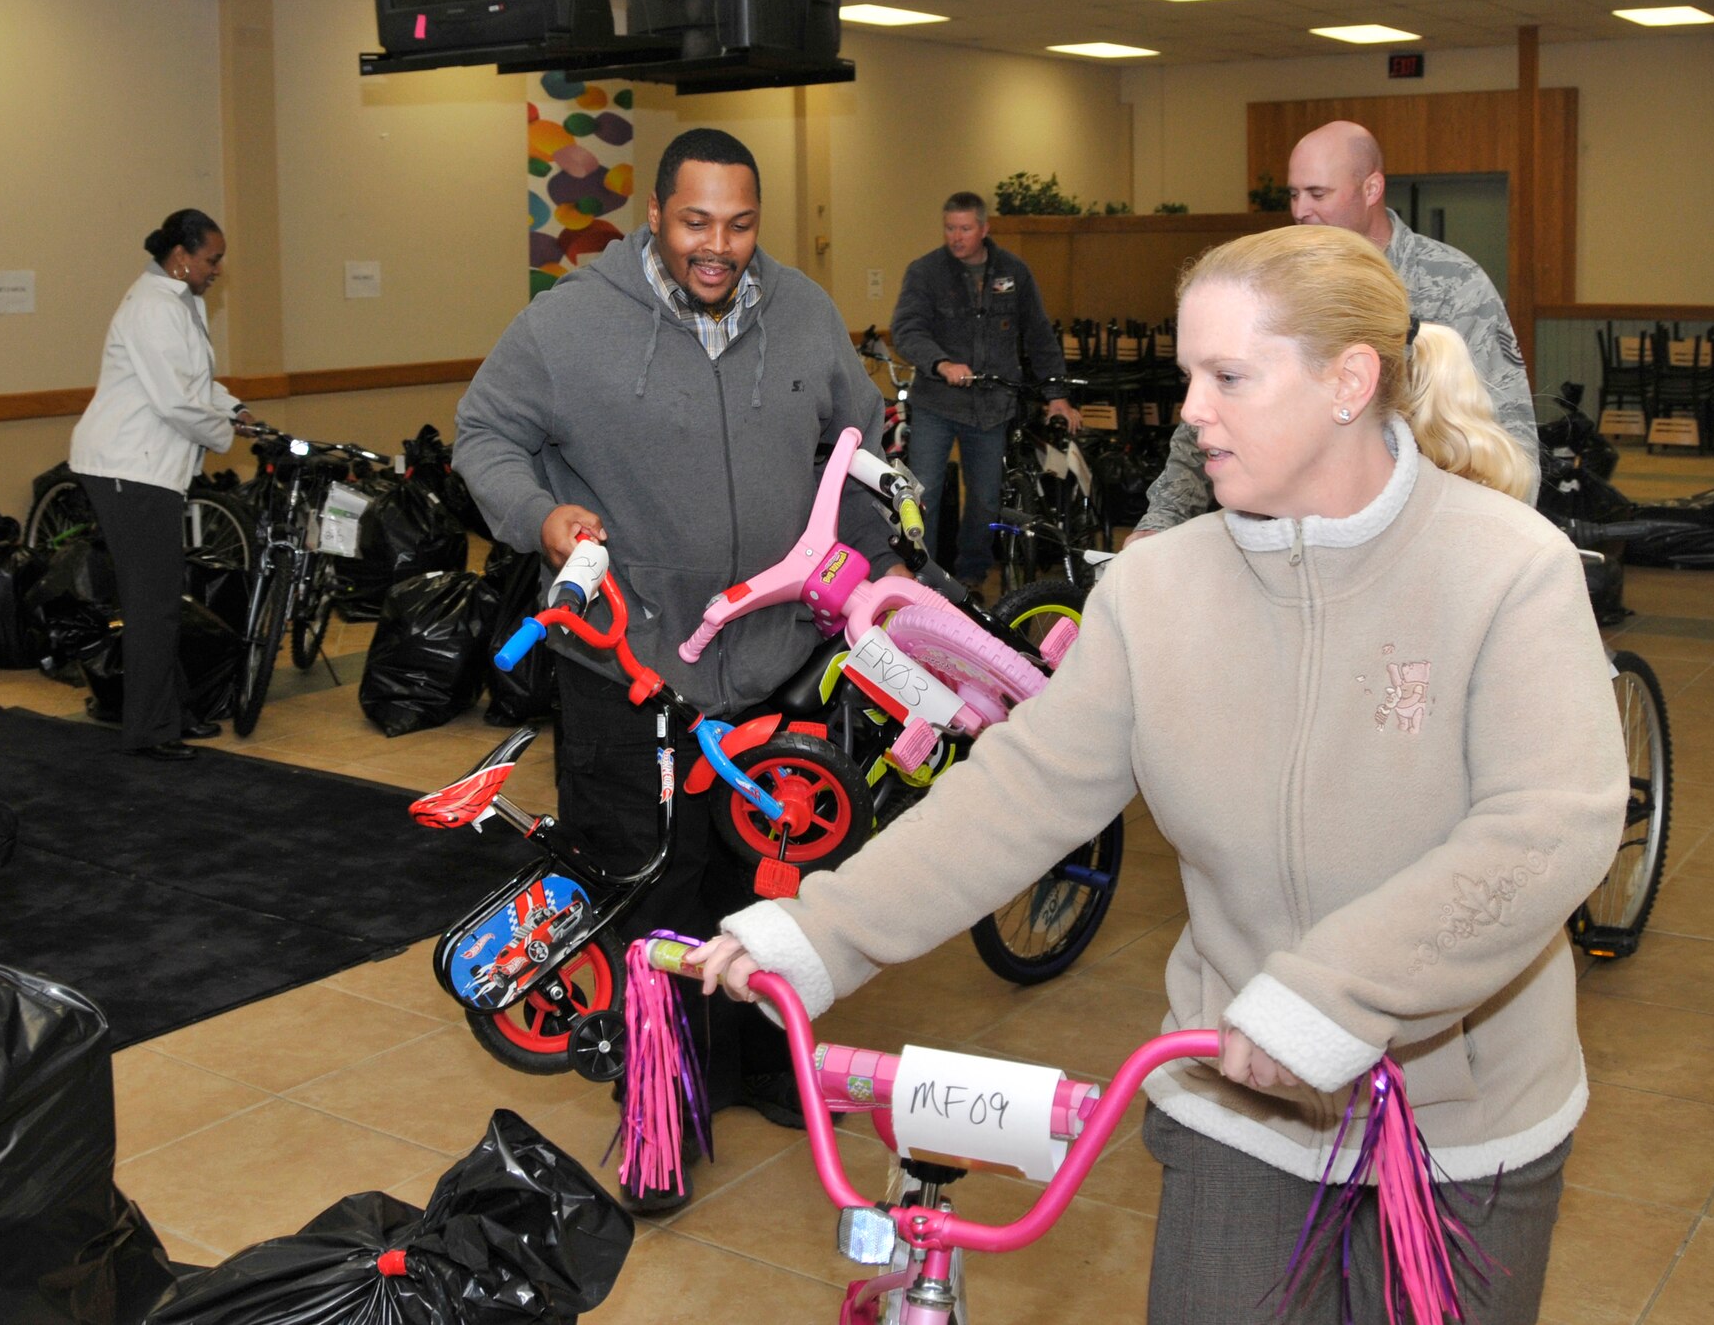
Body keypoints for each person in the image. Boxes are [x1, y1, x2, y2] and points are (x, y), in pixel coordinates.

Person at [688, 225, 1625, 1323]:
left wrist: (1335, 992)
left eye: (1227, 376)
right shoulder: (1156, 590)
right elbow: (1022, 790)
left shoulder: (1505, 568)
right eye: (1189, 375)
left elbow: (1545, 825)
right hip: (1244, 1101)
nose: (1189, 410)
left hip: (1462, 1127)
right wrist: (824, 931)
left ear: (1347, 382)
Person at [452, 128, 901, 1204]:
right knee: (655, 900)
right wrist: (541, 517)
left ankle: (760, 1065)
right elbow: (483, 436)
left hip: (781, 664)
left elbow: (862, 438)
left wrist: (863, 556)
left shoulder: (800, 311)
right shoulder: (564, 326)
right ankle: (657, 1118)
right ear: (654, 214)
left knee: (774, 885)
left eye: (739, 225)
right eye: (696, 222)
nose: (718, 247)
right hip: (630, 668)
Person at [1131, 119, 1540, 542]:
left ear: (1371, 189)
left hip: (1417, 536)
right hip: (1284, 539)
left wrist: (1494, 551)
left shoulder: (1453, 283)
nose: (1300, 210)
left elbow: (1509, 436)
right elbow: (1219, 407)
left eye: (1318, 193)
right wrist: (1161, 519)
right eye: (1293, 193)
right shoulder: (1282, 277)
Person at [69, 209, 252, 762]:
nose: (217, 270)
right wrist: (224, 434)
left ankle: (173, 712)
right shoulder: (154, 306)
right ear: (181, 258)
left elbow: (193, 382)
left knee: (162, 597)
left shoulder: (178, 300)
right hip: (128, 466)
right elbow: (174, 401)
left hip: (144, 468)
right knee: (152, 605)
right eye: (212, 259)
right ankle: (149, 731)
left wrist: (233, 408)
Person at [889, 192, 1078, 586]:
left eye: (965, 229)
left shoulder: (1014, 272)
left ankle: (972, 577)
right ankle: (927, 578)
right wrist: (940, 363)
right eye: (949, 228)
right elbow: (907, 330)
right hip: (937, 403)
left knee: (985, 498)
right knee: (926, 493)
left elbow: (1039, 334)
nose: (956, 237)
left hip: (992, 405)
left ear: (984, 228)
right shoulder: (925, 272)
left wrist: (1056, 394)